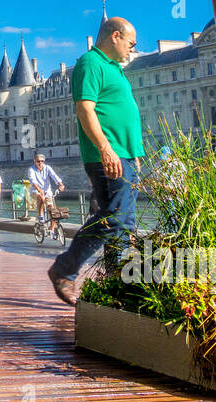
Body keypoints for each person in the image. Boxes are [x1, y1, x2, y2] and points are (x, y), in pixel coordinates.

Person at [47, 16, 144, 305]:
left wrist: (133, 155)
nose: (133, 49)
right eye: (131, 43)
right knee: (114, 218)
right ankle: (65, 269)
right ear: (115, 36)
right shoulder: (91, 63)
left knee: (125, 224)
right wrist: (106, 148)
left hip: (124, 156)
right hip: (109, 156)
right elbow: (85, 109)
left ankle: (118, 288)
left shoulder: (115, 68)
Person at [27, 153, 65, 225]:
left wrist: (61, 185)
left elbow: (54, 176)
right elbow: (33, 181)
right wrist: (39, 190)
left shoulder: (47, 168)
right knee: (41, 196)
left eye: (42, 161)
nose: (40, 163)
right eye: (38, 161)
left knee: (52, 210)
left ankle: (52, 230)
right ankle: (41, 216)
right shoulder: (31, 169)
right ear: (34, 161)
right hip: (35, 191)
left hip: (47, 192)